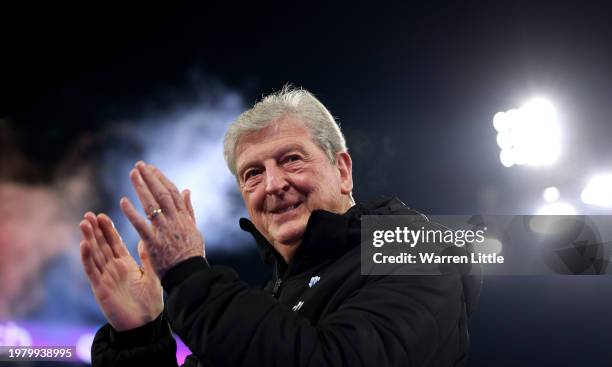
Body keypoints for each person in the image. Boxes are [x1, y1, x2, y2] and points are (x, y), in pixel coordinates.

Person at [79, 86, 480, 367]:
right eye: (252, 173)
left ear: (342, 171)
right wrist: (141, 337)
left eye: (291, 159)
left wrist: (188, 278)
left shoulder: (415, 253)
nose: (273, 185)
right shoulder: (270, 303)